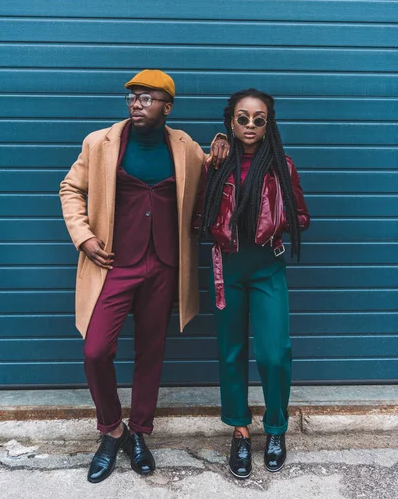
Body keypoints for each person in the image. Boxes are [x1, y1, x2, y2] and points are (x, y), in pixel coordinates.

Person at [59, 69, 229, 484]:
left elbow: (209, 173)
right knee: (96, 350)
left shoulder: (184, 146)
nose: (137, 103)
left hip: (165, 265)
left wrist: (220, 148)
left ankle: (140, 432)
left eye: (147, 98)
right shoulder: (100, 143)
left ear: (167, 107)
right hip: (113, 263)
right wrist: (83, 237)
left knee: (150, 353)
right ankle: (112, 430)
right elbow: (70, 188)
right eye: (133, 97)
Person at [193, 88, 310, 478]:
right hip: (227, 266)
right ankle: (240, 430)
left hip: (267, 266)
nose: (250, 125)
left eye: (259, 119)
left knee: (274, 354)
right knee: (231, 352)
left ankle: (276, 428)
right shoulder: (215, 165)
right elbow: (199, 214)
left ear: (268, 124)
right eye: (242, 118)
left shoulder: (283, 165)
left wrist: (276, 221)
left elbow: (301, 217)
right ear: (230, 121)